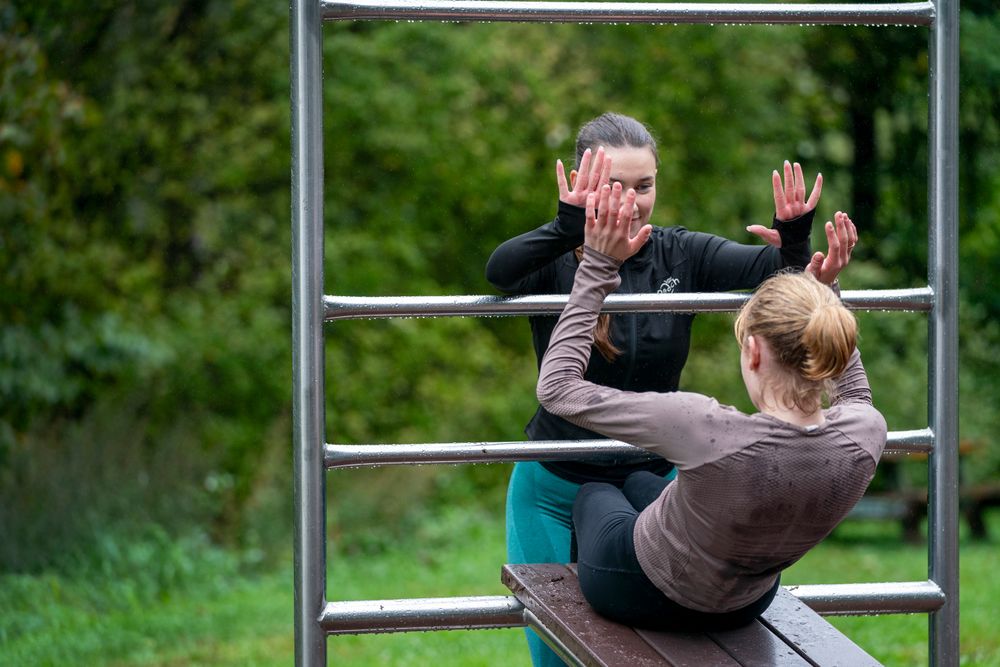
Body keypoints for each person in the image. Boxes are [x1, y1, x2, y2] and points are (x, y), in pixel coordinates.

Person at [485, 111, 836, 665]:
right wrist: (567, 229)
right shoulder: (555, 256)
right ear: (580, 184)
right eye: (613, 185)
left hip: (656, 483)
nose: (633, 199)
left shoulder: (679, 252)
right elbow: (498, 272)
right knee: (555, 653)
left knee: (662, 650)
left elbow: (769, 269)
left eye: (644, 185)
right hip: (553, 482)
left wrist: (794, 238)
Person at [535, 181, 886, 631]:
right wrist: (825, 292)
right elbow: (855, 394)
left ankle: (588, 645)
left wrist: (599, 268)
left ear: (754, 351)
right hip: (749, 600)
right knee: (643, 480)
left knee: (596, 493)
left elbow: (558, 389)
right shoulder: (865, 432)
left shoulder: (705, 428)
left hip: (638, 589)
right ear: (826, 340)